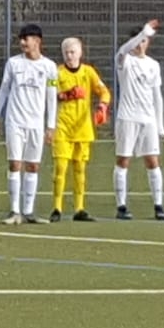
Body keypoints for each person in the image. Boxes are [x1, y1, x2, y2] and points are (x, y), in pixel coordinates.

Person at [0, 23, 59, 224]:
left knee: (33, 166)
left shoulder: (49, 67)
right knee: (14, 164)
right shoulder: (13, 63)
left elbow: (52, 97)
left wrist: (51, 126)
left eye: (26, 39)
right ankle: (14, 211)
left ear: (37, 41)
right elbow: (4, 89)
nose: (22, 42)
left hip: (36, 124)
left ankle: (28, 211)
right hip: (15, 121)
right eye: (20, 39)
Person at [50, 35, 110, 222]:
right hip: (63, 126)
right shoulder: (56, 73)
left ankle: (79, 208)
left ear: (80, 52)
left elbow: (104, 91)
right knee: (60, 168)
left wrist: (102, 106)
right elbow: (49, 94)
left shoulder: (88, 72)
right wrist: (67, 94)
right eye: (66, 52)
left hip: (83, 128)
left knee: (80, 169)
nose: (69, 56)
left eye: (73, 52)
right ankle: (57, 208)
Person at [112, 20, 164, 221]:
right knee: (123, 160)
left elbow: (156, 96)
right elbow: (122, 50)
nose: (140, 45)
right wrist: (142, 33)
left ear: (148, 43)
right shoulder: (125, 61)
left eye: (144, 41)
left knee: (153, 161)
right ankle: (121, 206)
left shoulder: (153, 65)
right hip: (127, 117)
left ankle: (158, 205)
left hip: (148, 119)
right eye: (137, 41)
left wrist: (159, 124)